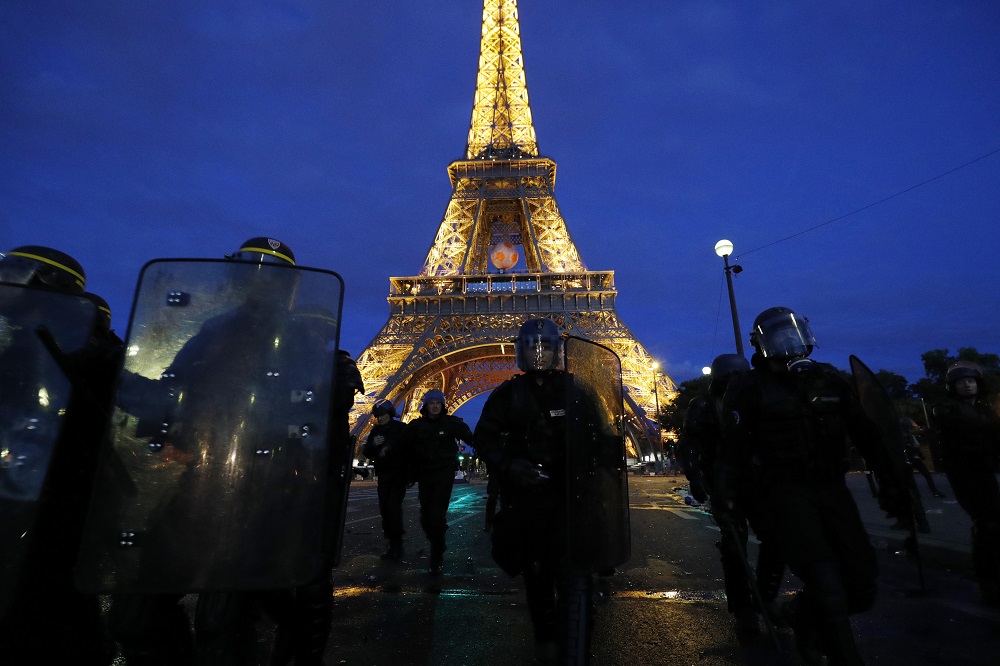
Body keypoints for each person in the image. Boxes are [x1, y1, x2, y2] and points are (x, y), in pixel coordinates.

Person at [715, 306, 908, 666]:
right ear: (761, 344)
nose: (789, 342)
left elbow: (866, 434)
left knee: (862, 583)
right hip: (785, 493)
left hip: (832, 488)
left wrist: (894, 484)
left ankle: (803, 615)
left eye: (793, 333)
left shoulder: (828, 379)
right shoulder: (748, 387)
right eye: (779, 336)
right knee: (825, 580)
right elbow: (733, 450)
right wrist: (727, 500)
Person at [474, 317, 626, 664]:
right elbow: (484, 439)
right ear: (521, 352)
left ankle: (576, 643)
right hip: (529, 501)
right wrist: (510, 466)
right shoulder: (509, 394)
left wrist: (607, 460)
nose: (539, 354)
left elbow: (601, 436)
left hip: (572, 499)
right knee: (538, 575)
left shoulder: (577, 391)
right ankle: (547, 638)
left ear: (557, 351)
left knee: (576, 576)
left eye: (545, 347)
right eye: (532, 348)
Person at [0, 245, 123, 664]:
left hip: (60, 499)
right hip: (19, 489)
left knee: (48, 608)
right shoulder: (21, 341)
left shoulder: (87, 350)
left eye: (14, 271)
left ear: (48, 282)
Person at [680, 353, 784, 638]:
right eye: (729, 379)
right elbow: (689, 443)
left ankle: (764, 596)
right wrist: (695, 478)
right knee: (734, 545)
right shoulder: (703, 405)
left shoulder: (753, 399)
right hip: (724, 484)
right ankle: (743, 608)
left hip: (757, 481)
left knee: (776, 537)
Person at [932, 361, 1000, 606]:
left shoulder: (984, 409)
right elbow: (964, 426)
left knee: (993, 521)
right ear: (953, 387)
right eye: (961, 382)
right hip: (964, 474)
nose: (967, 385)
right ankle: (988, 581)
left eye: (971, 381)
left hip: (985, 472)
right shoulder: (946, 407)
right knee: (987, 523)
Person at [400, 388, 474, 574]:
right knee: (426, 515)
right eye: (431, 403)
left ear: (442, 406)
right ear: (426, 406)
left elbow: (472, 439)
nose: (435, 406)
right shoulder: (416, 426)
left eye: (438, 403)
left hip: (443, 473)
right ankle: (438, 541)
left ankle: (436, 553)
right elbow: (402, 448)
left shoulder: (451, 424)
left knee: (436, 513)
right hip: (425, 473)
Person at [362, 399, 410, 560]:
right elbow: (367, 453)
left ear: (390, 414)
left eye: (383, 415)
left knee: (393, 507)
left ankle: (397, 543)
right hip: (383, 475)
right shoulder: (375, 431)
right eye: (378, 416)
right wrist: (373, 444)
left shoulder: (402, 428)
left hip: (399, 474)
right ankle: (392, 541)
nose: (380, 418)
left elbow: (410, 449)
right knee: (384, 509)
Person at [899, 416, 946, 499]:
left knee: (910, 478)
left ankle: (915, 494)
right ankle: (934, 492)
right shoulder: (909, 436)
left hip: (908, 459)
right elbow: (916, 445)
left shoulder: (901, 436)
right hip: (914, 458)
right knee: (926, 475)